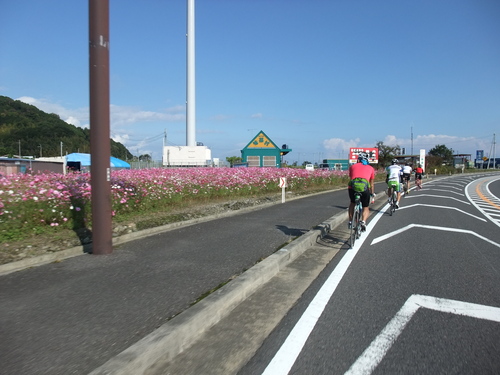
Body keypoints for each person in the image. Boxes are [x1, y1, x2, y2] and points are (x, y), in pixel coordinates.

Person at [348, 152, 375, 231]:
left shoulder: (352, 166)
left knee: (352, 203)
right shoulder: (371, 168)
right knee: (365, 207)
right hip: (364, 189)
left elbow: (351, 177)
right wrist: (372, 193)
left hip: (352, 188)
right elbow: (372, 184)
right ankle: (363, 221)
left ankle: (350, 221)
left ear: (358, 160)